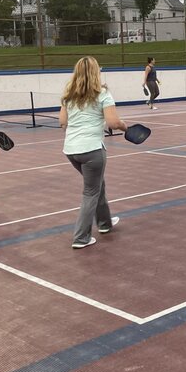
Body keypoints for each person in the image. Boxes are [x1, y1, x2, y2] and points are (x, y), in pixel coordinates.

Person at [59, 56, 128, 249]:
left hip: (71, 151)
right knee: (90, 191)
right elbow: (113, 123)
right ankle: (81, 237)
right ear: (96, 72)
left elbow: (62, 122)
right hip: (92, 150)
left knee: (98, 184)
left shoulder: (68, 95)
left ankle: (105, 223)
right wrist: (125, 127)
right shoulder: (103, 93)